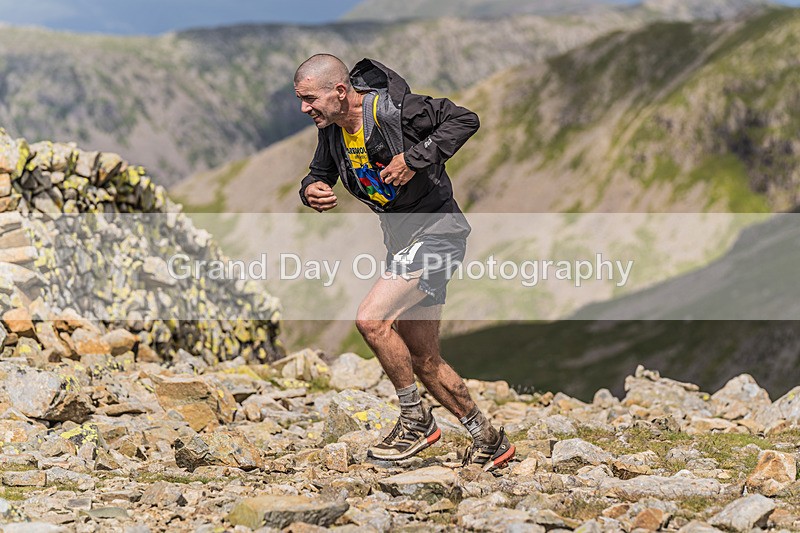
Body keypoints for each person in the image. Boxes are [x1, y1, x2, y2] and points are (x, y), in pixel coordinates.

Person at [294, 54, 515, 471]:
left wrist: (414, 159)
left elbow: (465, 119)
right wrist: (312, 190)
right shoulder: (333, 132)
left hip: (439, 234)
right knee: (423, 360)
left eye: (309, 99)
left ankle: (415, 420)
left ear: (340, 92)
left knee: (371, 321)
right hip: (403, 243)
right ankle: (488, 439)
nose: (304, 109)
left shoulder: (399, 111)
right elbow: (317, 173)